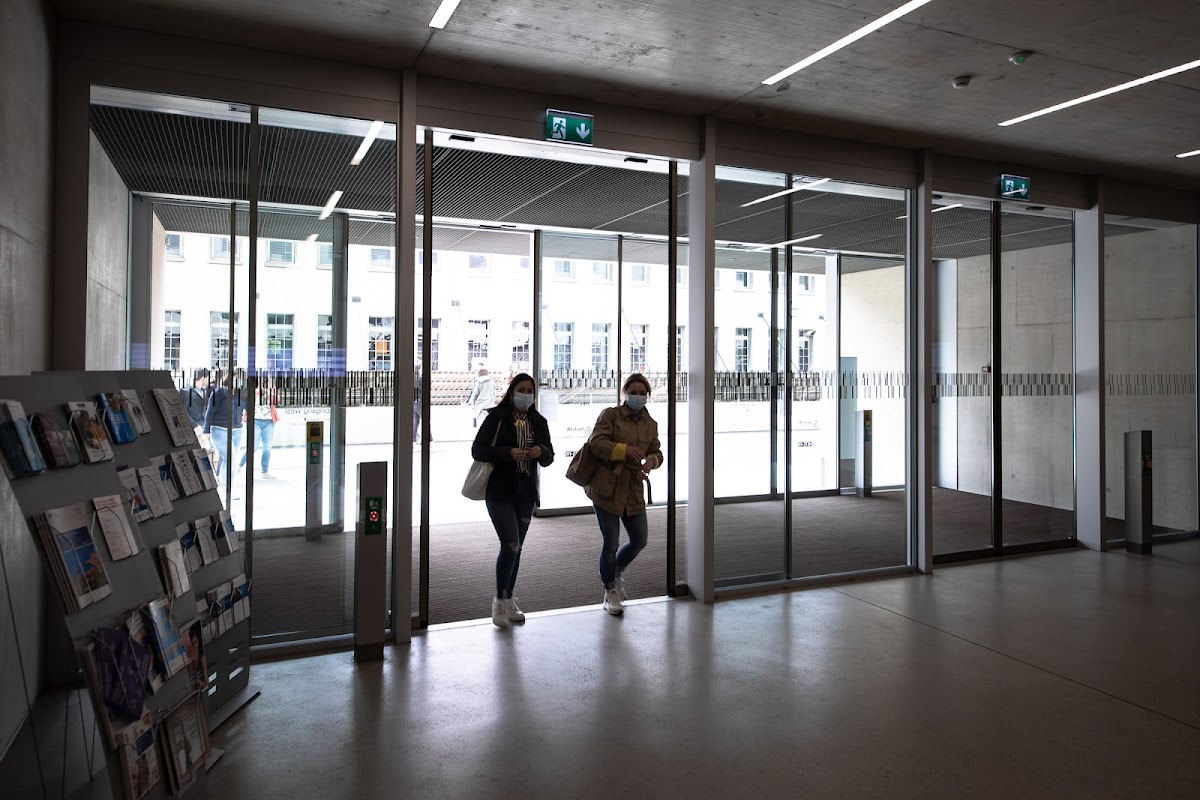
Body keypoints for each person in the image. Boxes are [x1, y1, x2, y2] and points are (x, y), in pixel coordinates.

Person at [471, 372, 554, 628]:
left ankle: (508, 598)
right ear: (512, 391)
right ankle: (499, 600)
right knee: (511, 544)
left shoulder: (538, 420)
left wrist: (542, 451)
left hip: (525, 492)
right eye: (522, 389)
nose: (526, 395)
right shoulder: (497, 417)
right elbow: (478, 450)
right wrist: (508, 453)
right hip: (499, 491)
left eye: (530, 391)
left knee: (517, 548)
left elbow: (549, 457)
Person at [584, 373, 662, 616]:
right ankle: (610, 591)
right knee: (611, 543)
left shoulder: (651, 423)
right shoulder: (610, 415)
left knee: (640, 540)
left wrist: (650, 462)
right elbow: (596, 443)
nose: (638, 396)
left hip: (633, 490)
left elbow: (658, 452)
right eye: (634, 392)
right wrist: (624, 450)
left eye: (642, 393)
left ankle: (614, 571)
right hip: (607, 487)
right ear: (624, 392)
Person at [203, 370, 246, 495]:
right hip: (220, 429)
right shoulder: (220, 392)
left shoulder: (240, 394)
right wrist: (206, 430)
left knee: (229, 458)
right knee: (230, 458)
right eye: (237, 378)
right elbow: (210, 410)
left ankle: (226, 485)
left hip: (237, 430)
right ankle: (225, 487)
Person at [240, 377, 278, 478]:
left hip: (269, 421)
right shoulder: (252, 391)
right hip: (255, 421)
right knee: (253, 447)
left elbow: (276, 400)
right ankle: (239, 465)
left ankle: (264, 471)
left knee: (267, 447)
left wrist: (270, 391)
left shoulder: (271, 391)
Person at [179, 369, 209, 437]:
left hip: (203, 427)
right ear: (203, 378)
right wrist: (194, 426)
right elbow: (182, 411)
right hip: (192, 429)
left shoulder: (204, 391)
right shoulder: (186, 392)